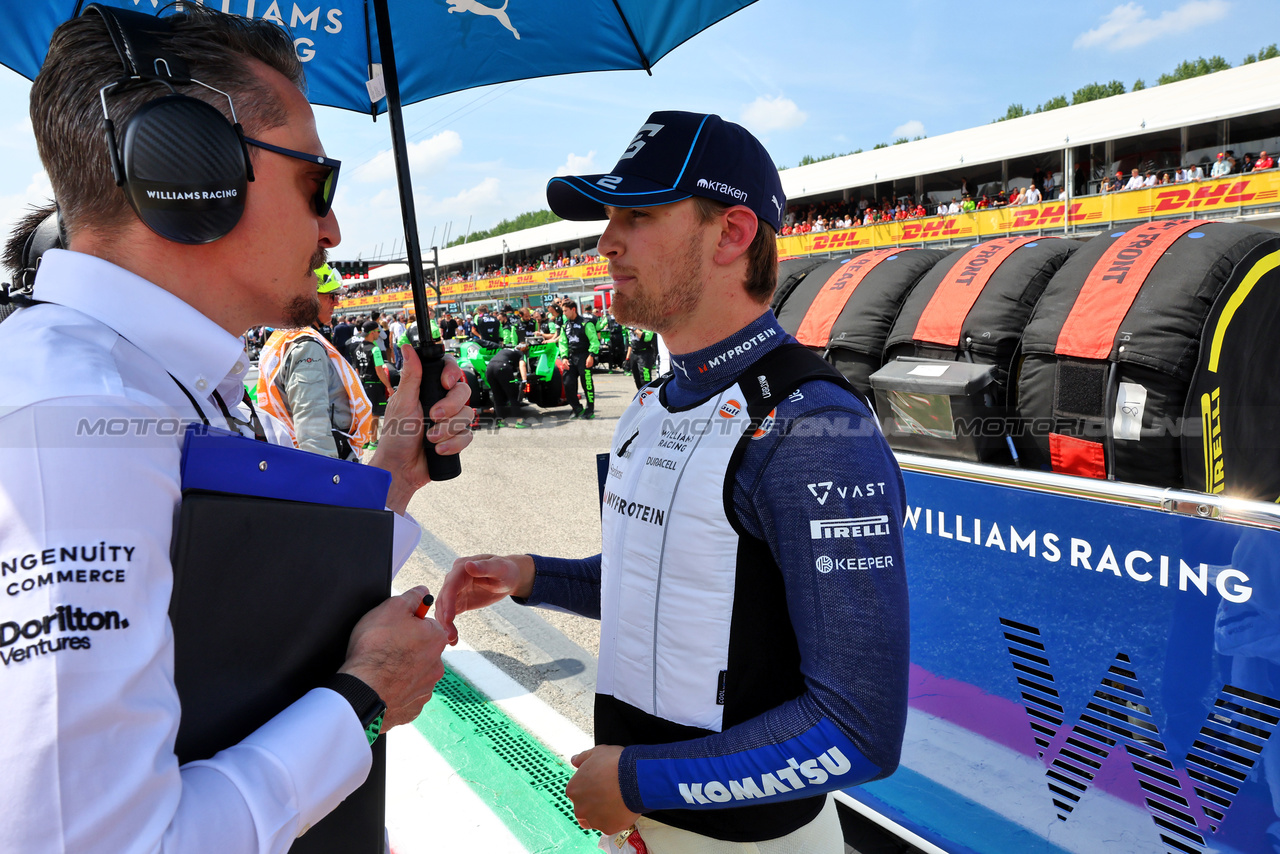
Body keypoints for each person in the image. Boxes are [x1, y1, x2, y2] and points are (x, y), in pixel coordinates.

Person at [0, 6, 473, 853]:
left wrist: (395, 467)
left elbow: (229, 612)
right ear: (188, 172)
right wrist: (365, 699)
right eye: (316, 183)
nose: (332, 229)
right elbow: (106, 844)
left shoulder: (151, 378)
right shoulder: (70, 415)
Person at [437, 110, 908, 852]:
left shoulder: (814, 428)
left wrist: (640, 781)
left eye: (640, 214)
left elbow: (858, 730)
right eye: (608, 215)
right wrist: (531, 576)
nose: (605, 241)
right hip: (635, 825)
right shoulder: (653, 402)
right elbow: (672, 587)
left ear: (732, 233)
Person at [255, 263, 373, 459]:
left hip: (291, 453)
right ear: (307, 296)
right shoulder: (306, 346)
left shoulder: (285, 336)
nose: (337, 302)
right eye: (331, 296)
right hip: (325, 460)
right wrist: (326, 478)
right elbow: (312, 426)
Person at [352, 319, 395, 446]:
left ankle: (365, 440)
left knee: (365, 414)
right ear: (372, 333)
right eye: (377, 331)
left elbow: (356, 370)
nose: (378, 334)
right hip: (375, 384)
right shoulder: (375, 350)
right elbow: (380, 370)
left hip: (362, 384)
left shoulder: (356, 348)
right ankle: (373, 440)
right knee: (375, 415)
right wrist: (388, 386)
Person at [557, 297, 599, 419]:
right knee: (568, 383)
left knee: (587, 384)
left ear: (573, 309)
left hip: (584, 356)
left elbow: (594, 341)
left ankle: (590, 410)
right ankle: (576, 407)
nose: (564, 313)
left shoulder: (586, 323)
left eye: (565, 311)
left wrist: (591, 355)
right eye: (563, 311)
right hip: (571, 357)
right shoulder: (565, 326)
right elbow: (563, 343)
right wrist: (564, 357)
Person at [485, 343, 530, 429]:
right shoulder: (520, 353)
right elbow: (522, 365)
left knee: (497, 396)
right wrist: (524, 380)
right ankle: (519, 421)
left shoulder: (505, 350)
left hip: (489, 368)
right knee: (513, 395)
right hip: (503, 367)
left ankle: (500, 421)